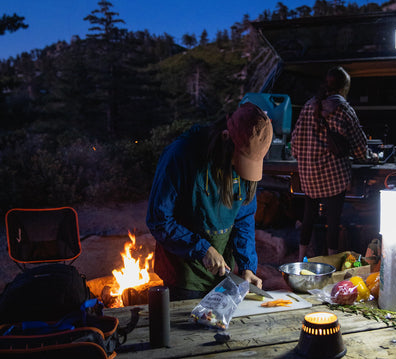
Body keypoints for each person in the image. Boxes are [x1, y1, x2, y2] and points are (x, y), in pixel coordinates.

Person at [146, 102, 273, 301]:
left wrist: (247, 266)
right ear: (225, 138)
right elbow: (159, 219)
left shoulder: (246, 164)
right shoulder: (181, 156)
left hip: (222, 276)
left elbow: (244, 218)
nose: (239, 170)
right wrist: (202, 249)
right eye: (238, 161)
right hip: (184, 276)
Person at [291, 66, 368, 260]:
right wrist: (366, 156)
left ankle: (301, 259)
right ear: (344, 87)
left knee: (309, 217)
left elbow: (295, 143)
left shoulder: (309, 105)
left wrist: (306, 161)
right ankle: (331, 262)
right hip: (334, 177)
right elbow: (360, 148)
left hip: (309, 176)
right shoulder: (343, 109)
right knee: (333, 221)